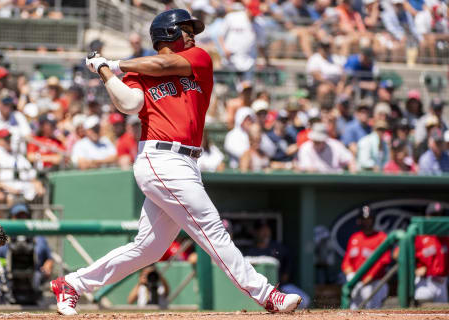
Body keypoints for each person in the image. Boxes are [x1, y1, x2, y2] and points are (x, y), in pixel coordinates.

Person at [50, 9, 301, 315]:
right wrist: (105, 72)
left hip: (187, 162)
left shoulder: (198, 58)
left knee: (149, 248)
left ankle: (72, 283)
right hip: (160, 157)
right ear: (166, 33)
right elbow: (130, 103)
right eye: (185, 28)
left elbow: (165, 63)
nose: (191, 33)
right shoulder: (139, 71)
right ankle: (267, 295)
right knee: (213, 228)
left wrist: (111, 62)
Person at [0, 203, 54, 304]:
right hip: (10, 275)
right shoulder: (4, 236)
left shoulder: (37, 236)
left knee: (38, 276)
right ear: (12, 218)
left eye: (24, 216)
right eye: (18, 216)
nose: (21, 219)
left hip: (33, 274)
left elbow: (49, 258)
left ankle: (35, 300)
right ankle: (6, 300)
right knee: (3, 271)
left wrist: (48, 265)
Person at [245, 220, 310, 309]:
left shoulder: (277, 247)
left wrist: (283, 278)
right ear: (256, 232)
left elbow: (288, 263)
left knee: (304, 300)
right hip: (261, 289)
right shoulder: (252, 252)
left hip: (281, 286)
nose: (265, 232)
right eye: (262, 230)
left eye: (267, 229)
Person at [342, 206, 391, 309]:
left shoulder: (381, 237)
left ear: (373, 220)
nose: (366, 222)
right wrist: (351, 276)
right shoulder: (355, 237)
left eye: (369, 219)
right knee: (353, 311)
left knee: (372, 312)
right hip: (356, 282)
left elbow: (384, 261)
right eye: (364, 219)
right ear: (359, 221)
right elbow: (346, 262)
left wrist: (369, 277)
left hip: (374, 282)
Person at [414, 202, 448, 303]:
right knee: (422, 297)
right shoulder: (419, 235)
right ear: (426, 216)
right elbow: (398, 254)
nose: (436, 219)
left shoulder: (446, 237)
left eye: (439, 215)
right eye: (433, 215)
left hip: (442, 283)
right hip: (424, 281)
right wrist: (414, 269)